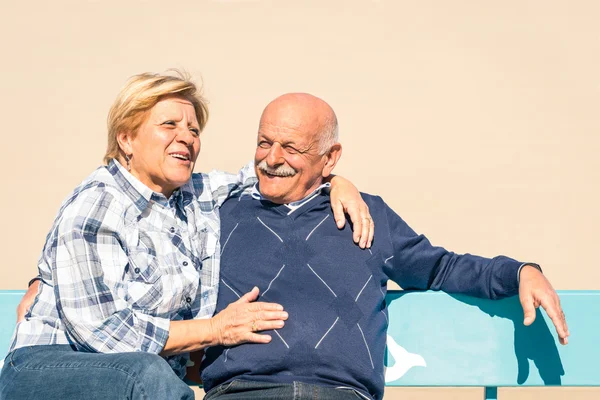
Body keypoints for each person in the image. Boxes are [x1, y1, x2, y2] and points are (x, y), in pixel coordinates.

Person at [0, 72, 373, 400]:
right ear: (126, 139)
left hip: (147, 382)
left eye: (193, 129)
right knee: (149, 375)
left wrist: (336, 180)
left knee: (152, 377)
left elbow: (273, 169)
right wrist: (213, 330)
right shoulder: (97, 206)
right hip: (53, 367)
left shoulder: (196, 196)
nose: (187, 138)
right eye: (169, 125)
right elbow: (104, 334)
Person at [199, 93, 570, 400]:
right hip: (242, 391)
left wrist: (521, 271)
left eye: (291, 148)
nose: (272, 158)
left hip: (343, 394)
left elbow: (441, 268)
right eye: (265, 142)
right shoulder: (219, 213)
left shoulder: (365, 214)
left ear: (329, 158)